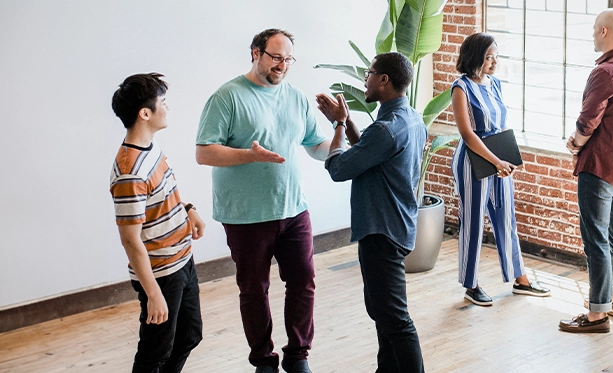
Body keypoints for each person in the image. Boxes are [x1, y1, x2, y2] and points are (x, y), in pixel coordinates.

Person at [195, 29, 331, 373]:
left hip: (293, 208)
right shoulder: (227, 97)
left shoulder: (296, 98)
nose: (282, 66)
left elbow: (316, 145)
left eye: (288, 59)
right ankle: (264, 361)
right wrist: (248, 156)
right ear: (256, 53)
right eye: (275, 57)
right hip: (245, 215)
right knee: (254, 289)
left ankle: (298, 356)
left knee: (303, 281)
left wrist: (347, 143)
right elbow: (204, 152)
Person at [318, 52, 426, 373]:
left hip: (381, 230)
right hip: (396, 224)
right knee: (382, 312)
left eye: (369, 73)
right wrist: (348, 122)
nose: (365, 79)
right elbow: (370, 150)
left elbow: (338, 168)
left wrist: (338, 125)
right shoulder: (409, 118)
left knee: (394, 318)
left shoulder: (387, 128)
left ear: (383, 80)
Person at [110, 73, 205, 373]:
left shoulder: (151, 147)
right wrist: (153, 294)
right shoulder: (129, 172)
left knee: (190, 335)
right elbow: (130, 239)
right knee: (155, 351)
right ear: (145, 113)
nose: (168, 107)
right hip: (162, 273)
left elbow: (164, 192)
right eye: (163, 102)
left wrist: (187, 208)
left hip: (182, 259)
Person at [559, 8, 613, 333]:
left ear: (606, 31)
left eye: (596, 29)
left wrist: (576, 143)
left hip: (598, 164)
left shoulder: (605, 72)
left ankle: (597, 314)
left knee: (595, 239)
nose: (593, 34)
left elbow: (588, 119)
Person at [450, 32, 550, 306]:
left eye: (496, 56)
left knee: (506, 219)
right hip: (473, 161)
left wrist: (510, 158)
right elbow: (468, 135)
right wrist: (496, 161)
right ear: (475, 58)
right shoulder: (461, 88)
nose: (494, 62)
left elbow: (502, 125)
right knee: (472, 222)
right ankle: (471, 284)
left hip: (500, 161)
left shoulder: (495, 84)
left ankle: (520, 278)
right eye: (488, 57)